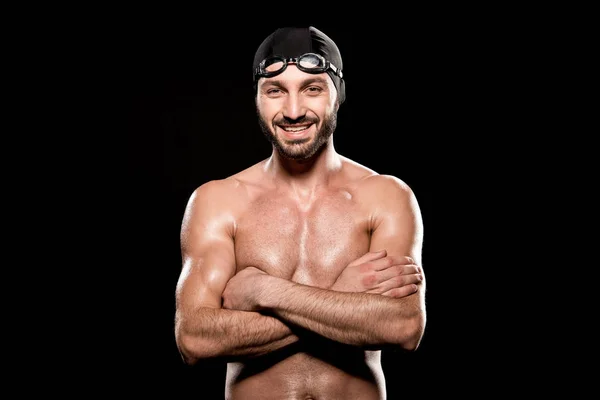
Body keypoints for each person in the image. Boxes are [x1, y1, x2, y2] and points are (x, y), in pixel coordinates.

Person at [174, 26, 426, 400]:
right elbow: (194, 338)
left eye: (312, 88)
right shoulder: (218, 201)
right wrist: (342, 297)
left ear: (337, 95)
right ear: (258, 99)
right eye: (275, 91)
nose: (293, 112)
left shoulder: (386, 196)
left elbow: (404, 326)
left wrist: (264, 290)